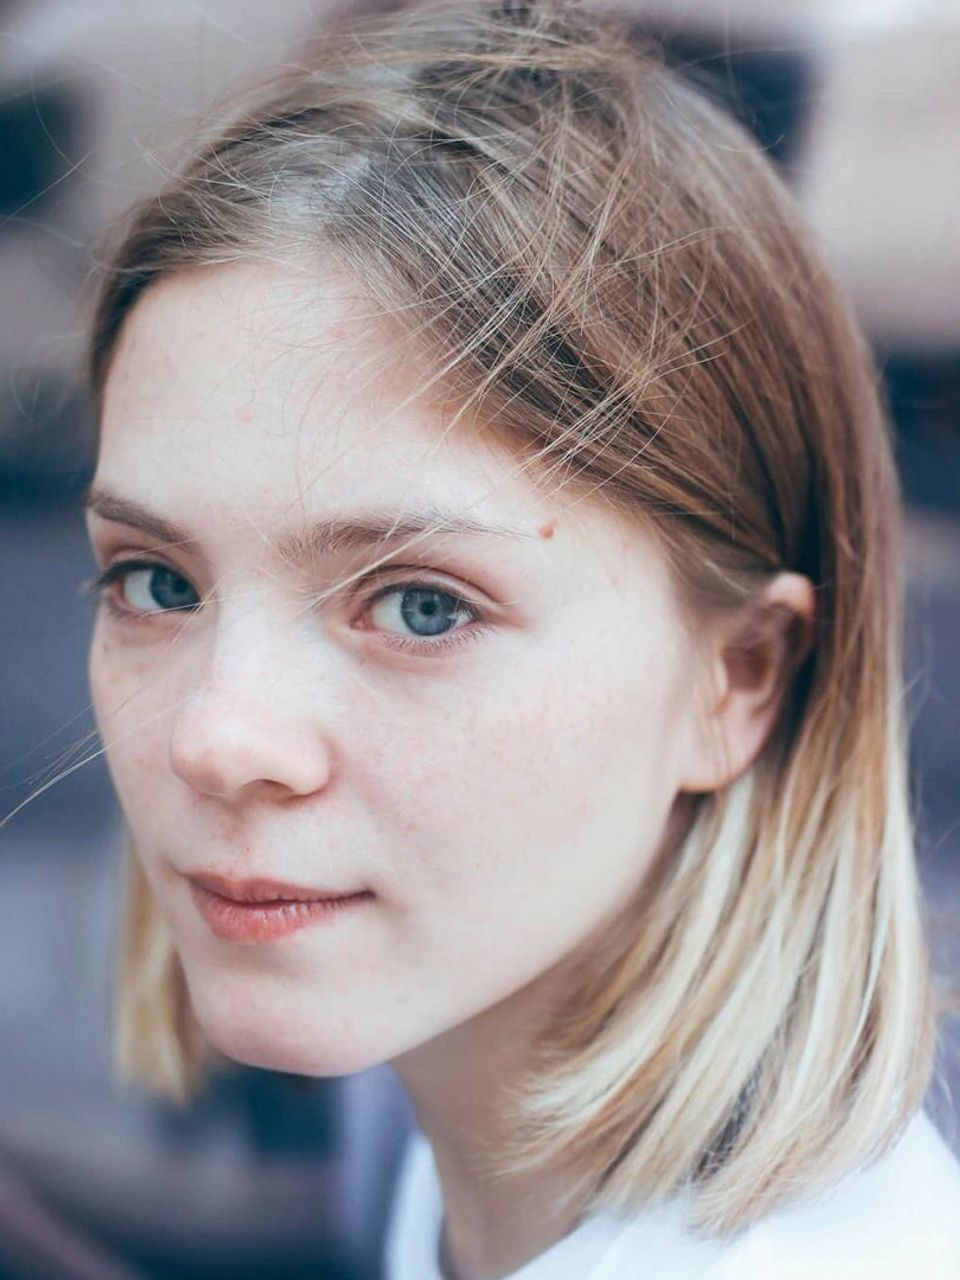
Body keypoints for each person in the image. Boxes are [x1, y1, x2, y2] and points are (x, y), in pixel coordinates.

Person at [77, 1, 960, 1276]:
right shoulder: (481, 1162)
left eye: (422, 605)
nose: (216, 738)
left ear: (738, 677)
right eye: (157, 583)